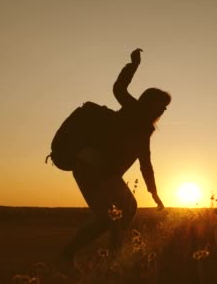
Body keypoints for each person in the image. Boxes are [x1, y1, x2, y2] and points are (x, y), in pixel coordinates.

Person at [57, 48, 171, 269]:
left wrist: (154, 192)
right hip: (88, 169)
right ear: (149, 102)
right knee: (107, 218)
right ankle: (69, 254)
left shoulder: (145, 129)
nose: (164, 110)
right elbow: (119, 88)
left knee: (127, 210)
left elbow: (145, 161)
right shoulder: (132, 109)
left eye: (166, 106)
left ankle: (113, 257)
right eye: (161, 105)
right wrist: (133, 66)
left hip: (108, 174)